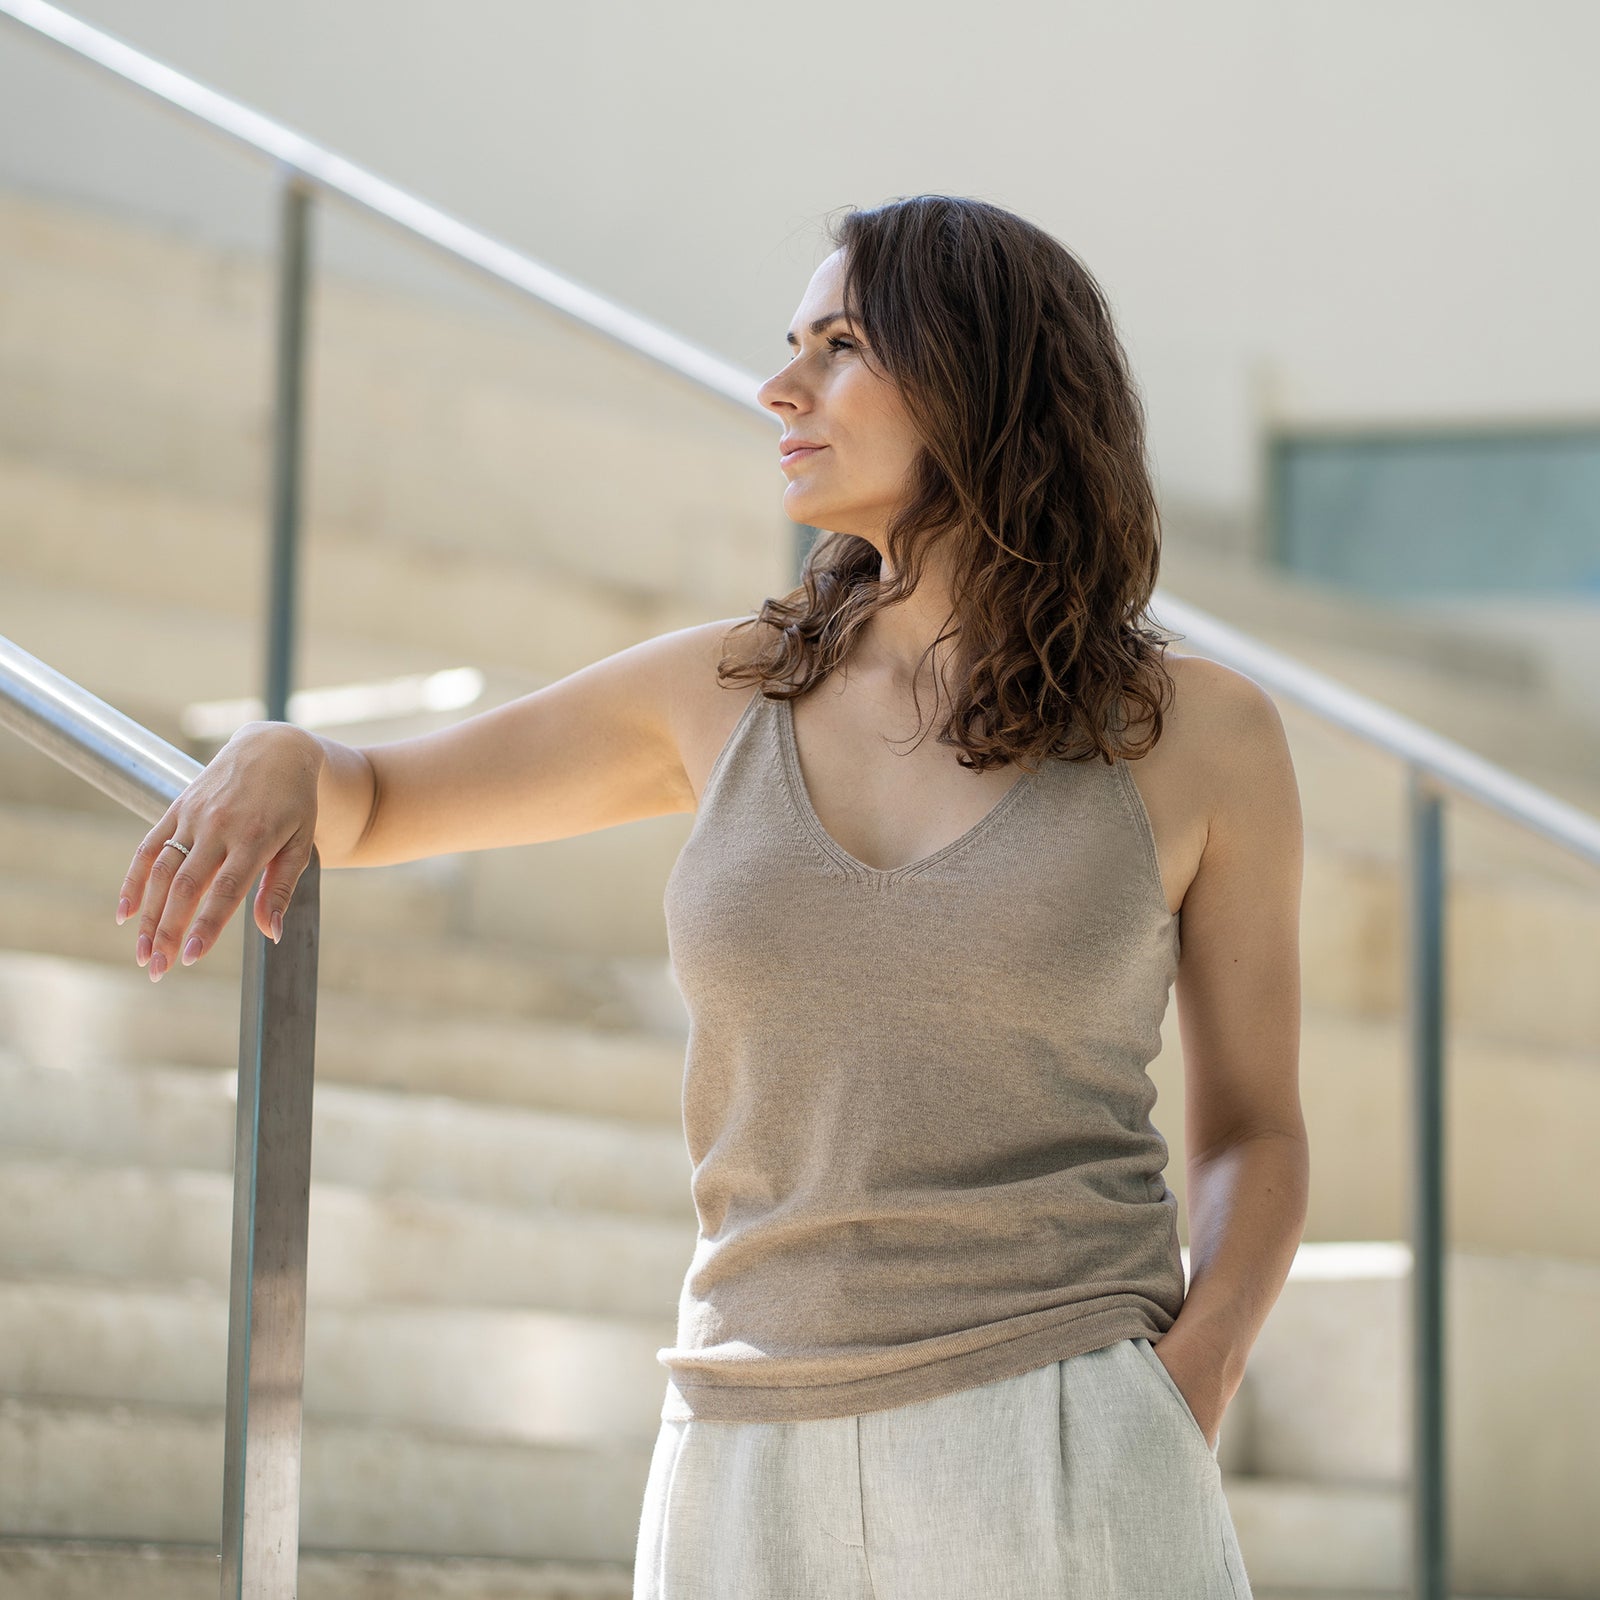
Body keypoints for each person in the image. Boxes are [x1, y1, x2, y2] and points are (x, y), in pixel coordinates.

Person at [116, 193, 1307, 1599]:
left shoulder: (1197, 735)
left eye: (840, 346)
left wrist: (1185, 1389)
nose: (780, 387)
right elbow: (377, 800)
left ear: (979, 376)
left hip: (1070, 1438)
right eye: (794, 345)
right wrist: (279, 751)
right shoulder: (724, 690)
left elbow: (1255, 1128)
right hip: (742, 1455)